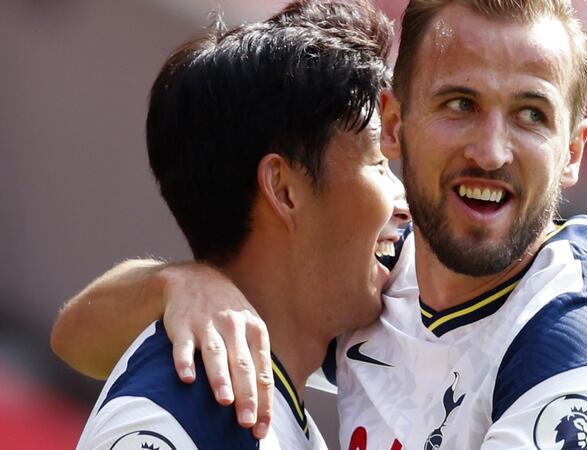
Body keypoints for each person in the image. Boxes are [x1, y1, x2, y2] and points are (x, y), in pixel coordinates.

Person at [54, 0, 587, 448]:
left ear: (574, 150)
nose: (492, 151)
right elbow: (75, 339)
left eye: (530, 115)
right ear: (395, 122)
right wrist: (179, 284)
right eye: (460, 104)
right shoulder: (371, 289)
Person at [69, 1, 408, 448]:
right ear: (284, 189)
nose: (404, 206)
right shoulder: (176, 415)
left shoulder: (262, 405)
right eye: (378, 164)